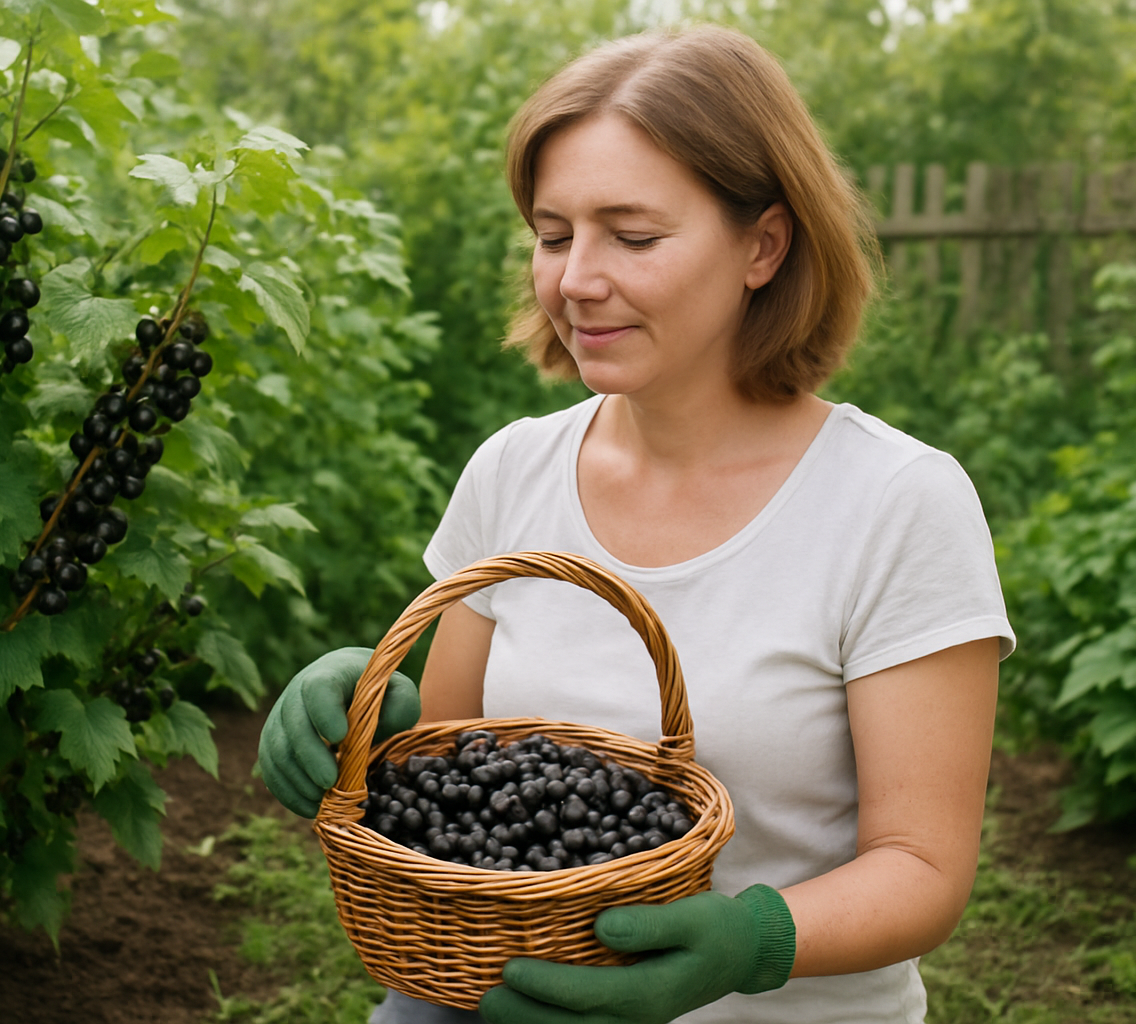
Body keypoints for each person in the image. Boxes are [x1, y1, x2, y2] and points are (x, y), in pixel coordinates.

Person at [259, 23, 1014, 1024]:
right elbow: (453, 768)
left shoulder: (896, 503)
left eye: (634, 235)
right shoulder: (514, 471)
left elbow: (921, 867)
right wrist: (363, 719)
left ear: (764, 245)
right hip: (495, 998)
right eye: (554, 233)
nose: (576, 279)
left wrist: (751, 940)